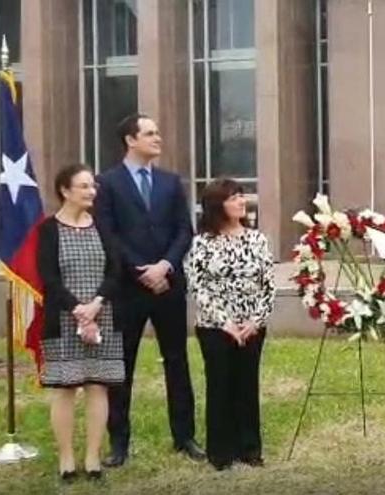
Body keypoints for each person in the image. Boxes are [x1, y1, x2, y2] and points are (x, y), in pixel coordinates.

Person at [95, 113, 203, 467]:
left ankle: (184, 436)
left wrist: (164, 266)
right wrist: (139, 270)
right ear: (130, 139)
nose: (158, 138)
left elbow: (183, 231)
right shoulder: (107, 183)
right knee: (122, 365)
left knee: (177, 360)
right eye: (150, 133)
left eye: (158, 132)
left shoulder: (171, 182)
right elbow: (107, 234)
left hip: (168, 284)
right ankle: (120, 443)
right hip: (128, 288)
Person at [37, 164, 124, 481]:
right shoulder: (48, 230)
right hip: (63, 319)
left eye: (93, 186)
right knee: (66, 387)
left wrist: (96, 304)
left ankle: (92, 458)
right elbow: (49, 278)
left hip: (104, 315)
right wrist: (78, 310)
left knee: (97, 386)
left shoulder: (102, 226)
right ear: (65, 190)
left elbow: (115, 271)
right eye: (84, 186)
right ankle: (66, 458)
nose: (92, 192)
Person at [184, 178, 275, 471]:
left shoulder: (257, 239)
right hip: (215, 327)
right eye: (233, 197)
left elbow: (268, 284)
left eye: (241, 196)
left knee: (247, 384)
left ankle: (250, 448)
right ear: (216, 205)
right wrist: (226, 323)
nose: (241, 201)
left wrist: (255, 320)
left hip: (252, 326)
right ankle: (221, 452)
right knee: (220, 384)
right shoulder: (202, 243)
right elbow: (198, 286)